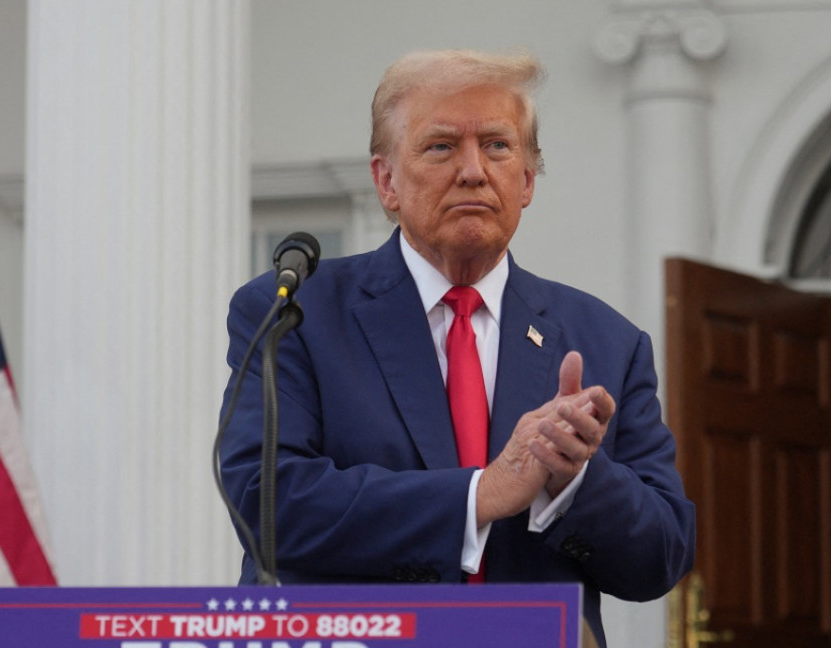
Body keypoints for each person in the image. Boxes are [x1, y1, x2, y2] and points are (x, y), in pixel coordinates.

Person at [218, 49, 695, 647]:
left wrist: (573, 479)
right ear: (386, 181)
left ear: (525, 182)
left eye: (497, 146)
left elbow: (662, 557)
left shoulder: (605, 340)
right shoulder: (296, 312)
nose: (473, 170)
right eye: (441, 146)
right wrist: (482, 492)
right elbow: (267, 504)